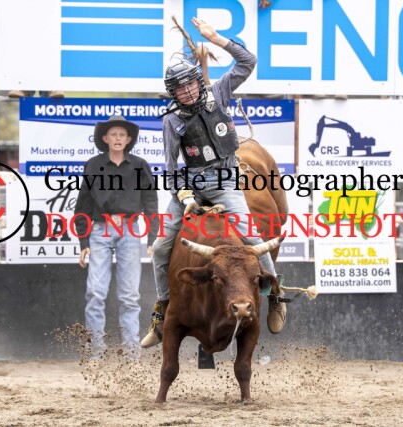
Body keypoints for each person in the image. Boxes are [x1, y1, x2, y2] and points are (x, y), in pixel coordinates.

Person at [140, 18, 286, 348]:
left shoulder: (218, 93)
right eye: (180, 88)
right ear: (173, 92)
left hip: (225, 184)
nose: (188, 91)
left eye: (191, 84)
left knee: (253, 238)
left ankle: (275, 295)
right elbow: (171, 168)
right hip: (191, 188)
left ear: (198, 81)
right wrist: (186, 198)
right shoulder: (172, 121)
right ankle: (161, 311)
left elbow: (248, 62)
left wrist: (217, 38)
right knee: (161, 247)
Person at [74, 116, 159, 359]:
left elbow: (151, 203)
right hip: (100, 229)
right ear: (105, 138)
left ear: (129, 139)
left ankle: (132, 354)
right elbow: (83, 205)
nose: (118, 138)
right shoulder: (93, 165)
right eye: (113, 134)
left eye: (122, 134)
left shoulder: (140, 165)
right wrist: (83, 241)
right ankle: (96, 353)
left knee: (130, 296)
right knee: (95, 292)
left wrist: (152, 238)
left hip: (130, 229)